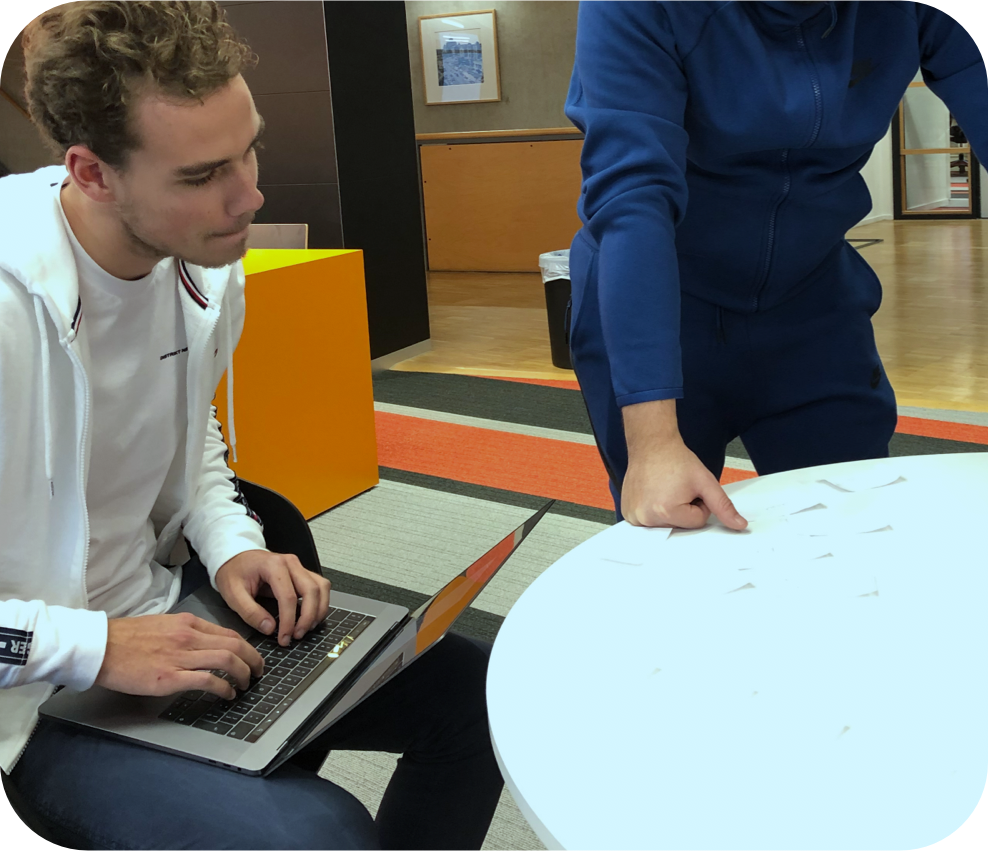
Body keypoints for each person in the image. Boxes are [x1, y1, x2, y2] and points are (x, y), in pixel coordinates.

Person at [0, 3, 501, 849]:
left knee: (483, 698)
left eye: (249, 150)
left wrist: (232, 542)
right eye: (200, 176)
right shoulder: (15, 304)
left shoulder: (198, 265)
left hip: (175, 622)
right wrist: (94, 648)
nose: (250, 196)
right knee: (320, 836)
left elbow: (185, 435)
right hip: (38, 696)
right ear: (90, 173)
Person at [564, 0, 987, 529]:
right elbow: (633, 195)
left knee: (858, 526)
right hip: (661, 295)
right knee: (674, 535)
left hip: (812, 298)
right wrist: (653, 439)